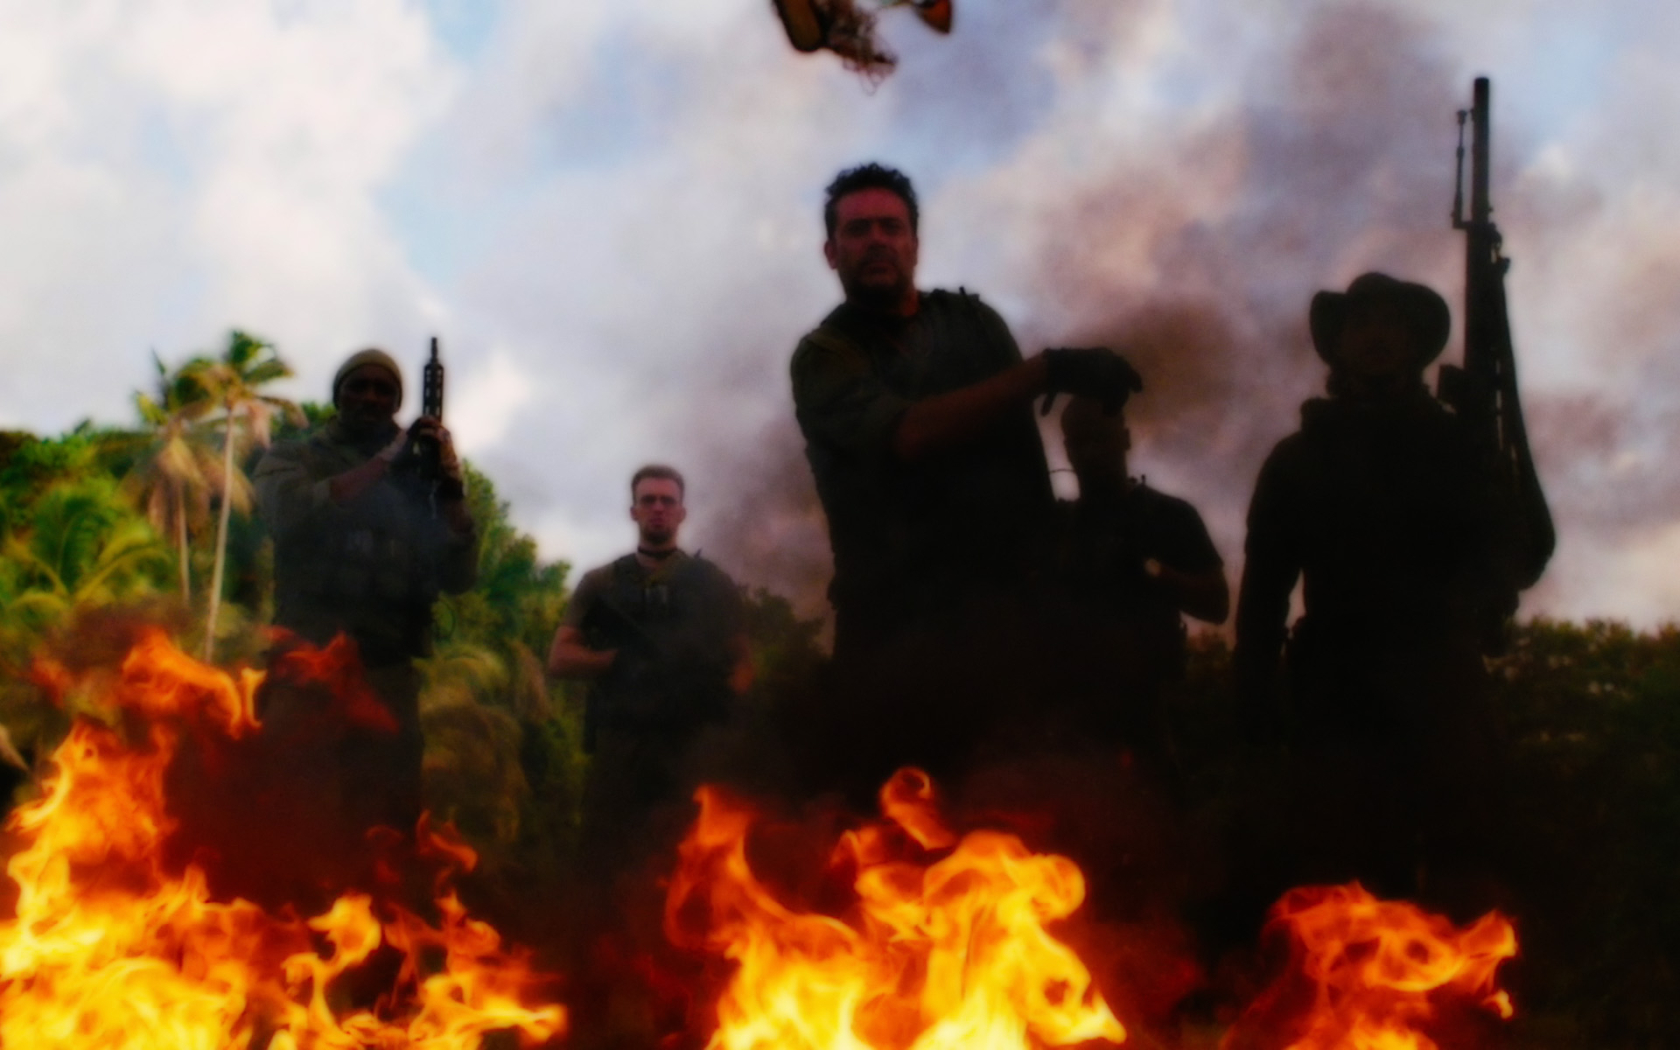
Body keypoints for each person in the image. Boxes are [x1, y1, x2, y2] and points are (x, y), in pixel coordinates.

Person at [789, 162, 1141, 791]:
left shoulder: (974, 323)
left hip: (1006, 623)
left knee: (1033, 811)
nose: (876, 240)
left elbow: (1022, 456)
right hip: (894, 640)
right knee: (893, 823)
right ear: (831, 252)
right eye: (858, 230)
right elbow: (909, 435)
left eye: (891, 227)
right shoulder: (826, 356)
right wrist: (1049, 370)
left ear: (914, 244)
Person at [1232, 272, 1544, 901]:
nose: (1377, 334)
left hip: (1439, 679)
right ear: (1339, 344)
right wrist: (1253, 696)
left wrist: (1479, 591)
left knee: (1465, 862)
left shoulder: (1457, 446)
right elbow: (1264, 589)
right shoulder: (1298, 459)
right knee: (1345, 874)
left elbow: (1517, 552)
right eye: (1362, 322)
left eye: (1392, 323)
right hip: (1338, 687)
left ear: (1413, 344)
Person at [253, 348, 477, 844]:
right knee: (284, 814)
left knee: (387, 829)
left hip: (386, 674)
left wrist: (451, 489)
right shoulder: (295, 458)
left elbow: (459, 576)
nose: (371, 398)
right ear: (339, 395)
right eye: (359, 386)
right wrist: (384, 462)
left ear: (397, 401)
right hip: (306, 666)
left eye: (384, 390)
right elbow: (288, 515)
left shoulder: (418, 479)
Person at [547, 464, 752, 870]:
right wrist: (619, 662)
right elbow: (560, 659)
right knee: (605, 862)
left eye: (667, 501)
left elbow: (743, 663)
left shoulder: (711, 583)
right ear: (634, 511)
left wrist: (716, 703)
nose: (658, 508)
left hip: (689, 745)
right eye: (649, 500)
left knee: (691, 863)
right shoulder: (602, 583)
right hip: (622, 743)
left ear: (681, 512)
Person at [1047, 395, 1227, 764]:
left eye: (1100, 437)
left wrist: (1152, 570)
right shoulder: (1056, 528)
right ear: (1067, 450)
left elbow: (1217, 604)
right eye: (1080, 442)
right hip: (1075, 713)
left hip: (1155, 703)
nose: (1091, 452)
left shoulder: (1169, 516)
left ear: (1125, 438)